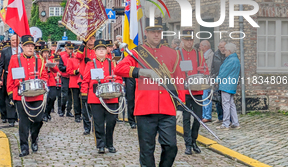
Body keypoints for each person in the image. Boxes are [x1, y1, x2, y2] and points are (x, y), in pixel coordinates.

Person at [115, 17, 183, 167]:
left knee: (171, 147)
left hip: (167, 108)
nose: (156, 35)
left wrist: (179, 107)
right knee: (147, 150)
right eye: (153, 32)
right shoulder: (137, 53)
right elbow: (118, 69)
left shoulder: (173, 54)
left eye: (159, 31)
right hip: (145, 109)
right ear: (146, 33)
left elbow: (179, 81)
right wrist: (142, 71)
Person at [7, 35, 48, 157]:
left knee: (38, 120)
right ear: (22, 47)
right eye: (27, 46)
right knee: (23, 123)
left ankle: (34, 138)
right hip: (21, 95)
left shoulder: (39, 59)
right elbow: (10, 78)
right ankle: (24, 147)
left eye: (32, 46)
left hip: (37, 95)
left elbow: (44, 75)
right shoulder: (15, 59)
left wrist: (44, 85)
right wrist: (11, 94)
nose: (30, 48)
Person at [82, 39, 123, 154]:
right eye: (98, 49)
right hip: (95, 98)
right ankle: (100, 144)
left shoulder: (112, 63)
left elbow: (119, 78)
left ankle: (109, 143)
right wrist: (84, 94)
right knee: (98, 122)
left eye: (103, 49)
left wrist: (116, 83)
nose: (101, 51)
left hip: (112, 96)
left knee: (111, 122)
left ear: (106, 51)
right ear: (95, 51)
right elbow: (85, 80)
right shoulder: (90, 64)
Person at [178, 30, 209, 155]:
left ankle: (194, 140)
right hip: (185, 91)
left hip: (197, 90)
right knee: (186, 119)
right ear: (183, 41)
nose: (189, 42)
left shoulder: (199, 53)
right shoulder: (178, 53)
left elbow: (205, 69)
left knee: (198, 118)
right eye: (187, 40)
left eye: (191, 40)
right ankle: (188, 144)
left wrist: (202, 70)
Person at [0, 34, 21, 126]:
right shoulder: (5, 51)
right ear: (10, 41)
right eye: (13, 40)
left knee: (18, 96)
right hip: (8, 75)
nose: (15, 42)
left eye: (16, 40)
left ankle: (17, 116)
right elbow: (0, 65)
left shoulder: (22, 50)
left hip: (20, 76)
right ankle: (9, 118)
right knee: (7, 97)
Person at [216, 43, 241, 130]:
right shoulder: (235, 59)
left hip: (226, 84)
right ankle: (235, 122)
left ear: (229, 51)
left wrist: (216, 80)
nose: (224, 52)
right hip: (232, 84)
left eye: (226, 50)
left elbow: (224, 73)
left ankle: (226, 124)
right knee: (231, 104)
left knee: (226, 104)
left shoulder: (230, 60)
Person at [76, 36, 96, 135]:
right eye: (89, 39)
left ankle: (95, 125)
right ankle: (87, 127)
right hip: (84, 80)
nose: (90, 41)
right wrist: (83, 44)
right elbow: (78, 57)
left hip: (95, 81)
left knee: (95, 105)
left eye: (92, 39)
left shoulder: (97, 50)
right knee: (85, 105)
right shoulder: (83, 50)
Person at [40, 43, 59, 122]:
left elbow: (56, 70)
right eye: (44, 52)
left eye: (47, 52)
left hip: (51, 81)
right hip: (43, 82)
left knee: (53, 97)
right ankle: (44, 114)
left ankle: (48, 112)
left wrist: (50, 64)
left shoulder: (50, 60)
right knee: (45, 99)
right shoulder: (39, 60)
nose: (46, 54)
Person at [210, 41, 227, 124]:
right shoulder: (215, 55)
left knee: (225, 100)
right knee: (217, 100)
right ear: (218, 47)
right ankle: (220, 117)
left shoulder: (228, 55)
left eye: (224, 47)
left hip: (226, 80)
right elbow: (212, 67)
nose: (222, 49)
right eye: (221, 47)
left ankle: (227, 118)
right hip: (217, 80)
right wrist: (213, 77)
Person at [199, 40, 214, 123]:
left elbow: (209, 68)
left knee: (206, 97)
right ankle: (204, 115)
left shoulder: (210, 55)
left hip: (207, 79)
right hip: (203, 78)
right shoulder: (204, 55)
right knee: (203, 97)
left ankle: (207, 116)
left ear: (205, 46)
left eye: (201, 46)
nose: (200, 48)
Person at [58, 42, 74, 117]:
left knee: (71, 96)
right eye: (69, 49)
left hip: (72, 77)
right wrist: (68, 68)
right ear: (66, 49)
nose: (71, 50)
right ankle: (62, 110)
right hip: (65, 77)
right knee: (64, 95)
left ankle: (69, 110)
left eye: (72, 49)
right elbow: (60, 67)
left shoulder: (75, 56)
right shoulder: (63, 56)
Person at [67, 45, 82, 123]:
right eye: (75, 51)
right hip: (74, 82)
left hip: (82, 82)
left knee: (82, 100)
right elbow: (68, 70)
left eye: (78, 51)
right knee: (76, 100)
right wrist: (76, 71)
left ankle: (83, 114)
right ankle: (77, 115)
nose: (76, 53)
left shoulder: (82, 60)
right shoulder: (71, 60)